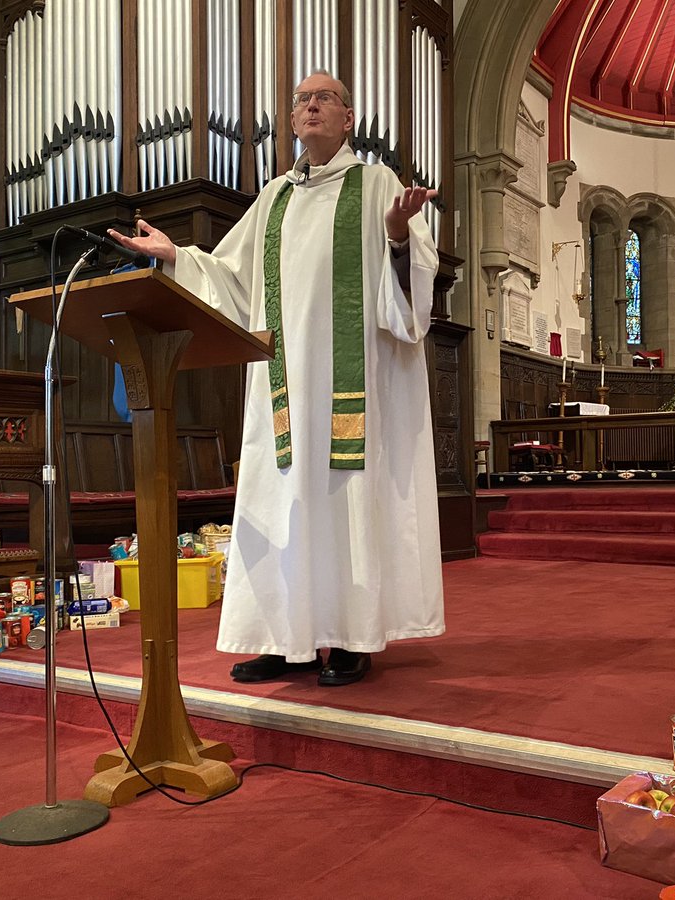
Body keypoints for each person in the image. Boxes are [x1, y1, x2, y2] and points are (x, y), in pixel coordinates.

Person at [109, 71, 444, 686]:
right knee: (281, 503)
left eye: (325, 98)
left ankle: (350, 638)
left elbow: (411, 287)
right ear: (291, 120)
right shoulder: (274, 198)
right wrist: (176, 255)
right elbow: (231, 277)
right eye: (301, 100)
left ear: (348, 118)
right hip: (283, 386)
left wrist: (398, 236)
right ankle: (287, 641)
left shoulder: (377, 185)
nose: (311, 106)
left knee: (344, 498)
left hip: (351, 389)